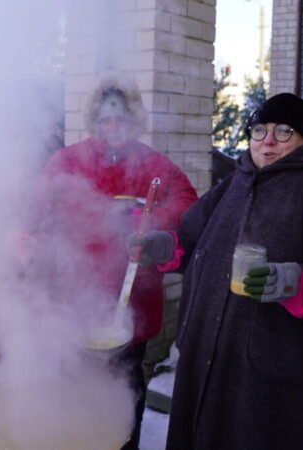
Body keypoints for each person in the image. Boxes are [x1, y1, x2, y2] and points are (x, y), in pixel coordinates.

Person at [133, 93, 303, 449]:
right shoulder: (235, 184)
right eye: (259, 130)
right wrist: (164, 247)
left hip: (273, 376)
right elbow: (192, 239)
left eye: (283, 131)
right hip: (209, 358)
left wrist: (294, 282)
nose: (267, 141)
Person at [33, 74, 198, 449]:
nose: (113, 128)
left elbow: (188, 202)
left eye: (121, 120)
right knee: (74, 388)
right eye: (106, 120)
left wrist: (149, 222)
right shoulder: (68, 161)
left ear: (134, 121)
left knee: (125, 390)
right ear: (94, 121)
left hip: (131, 302)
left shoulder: (154, 165)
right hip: (74, 296)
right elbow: (36, 208)